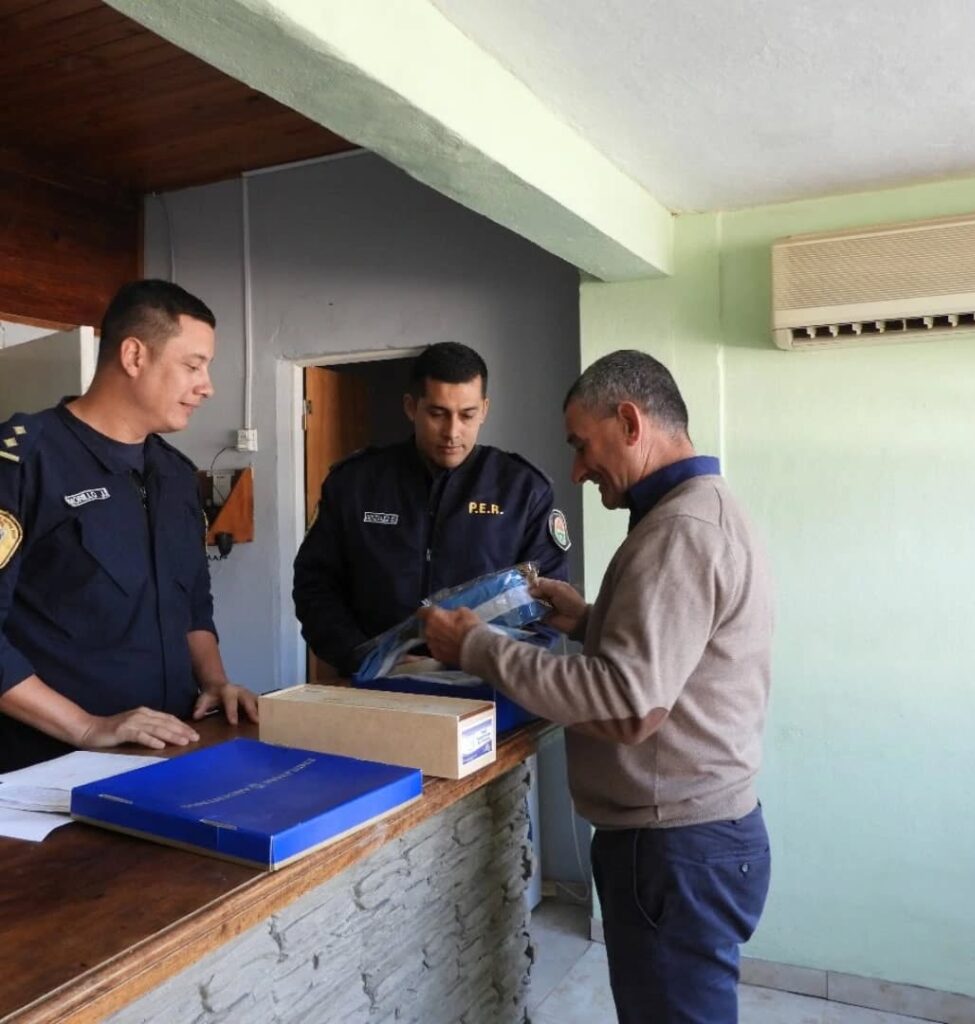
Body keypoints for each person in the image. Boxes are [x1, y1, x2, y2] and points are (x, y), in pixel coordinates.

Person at [418, 350, 773, 1024]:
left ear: (631, 422)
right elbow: (678, 658)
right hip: (691, 840)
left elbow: (628, 704)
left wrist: (475, 646)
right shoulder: (702, 511)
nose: (578, 470)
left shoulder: (681, 531)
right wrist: (589, 620)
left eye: (582, 446)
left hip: (673, 848)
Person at [0, 279, 258, 771]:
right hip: (49, 767)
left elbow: (193, 605)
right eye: (193, 366)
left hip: (170, 752)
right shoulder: (25, 461)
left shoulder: (176, 475)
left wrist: (215, 682)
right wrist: (86, 726)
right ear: (135, 356)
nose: (207, 386)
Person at [293, 341, 570, 677]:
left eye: (467, 415)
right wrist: (362, 657)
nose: (452, 432)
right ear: (411, 407)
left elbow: (547, 603)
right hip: (375, 682)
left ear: (484, 409)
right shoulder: (355, 482)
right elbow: (315, 586)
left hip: (487, 685)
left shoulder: (523, 490)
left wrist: (490, 665)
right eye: (437, 414)